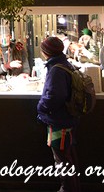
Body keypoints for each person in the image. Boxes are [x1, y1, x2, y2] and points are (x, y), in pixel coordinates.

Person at [37, 36, 81, 192]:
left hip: (59, 121)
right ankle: (72, 187)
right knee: (67, 156)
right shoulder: (64, 65)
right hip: (66, 119)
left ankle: (67, 188)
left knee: (62, 157)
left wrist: (40, 108)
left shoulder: (56, 69)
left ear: (46, 52)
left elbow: (55, 96)